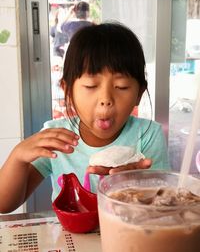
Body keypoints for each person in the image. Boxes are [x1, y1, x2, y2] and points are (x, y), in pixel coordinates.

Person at [0, 22, 170, 213]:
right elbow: (4, 204)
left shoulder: (147, 135)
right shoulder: (56, 138)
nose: (106, 99)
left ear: (139, 93)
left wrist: (133, 183)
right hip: (68, 240)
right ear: (69, 91)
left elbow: (163, 205)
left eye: (121, 87)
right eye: (90, 86)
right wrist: (17, 157)